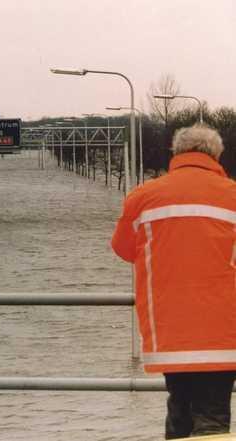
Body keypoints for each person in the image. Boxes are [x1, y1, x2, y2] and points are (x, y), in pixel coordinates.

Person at [112, 124, 236, 439]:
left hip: (169, 327)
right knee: (213, 417)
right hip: (223, 331)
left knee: (179, 409)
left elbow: (123, 248)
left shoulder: (144, 195)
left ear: (176, 153)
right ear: (216, 155)